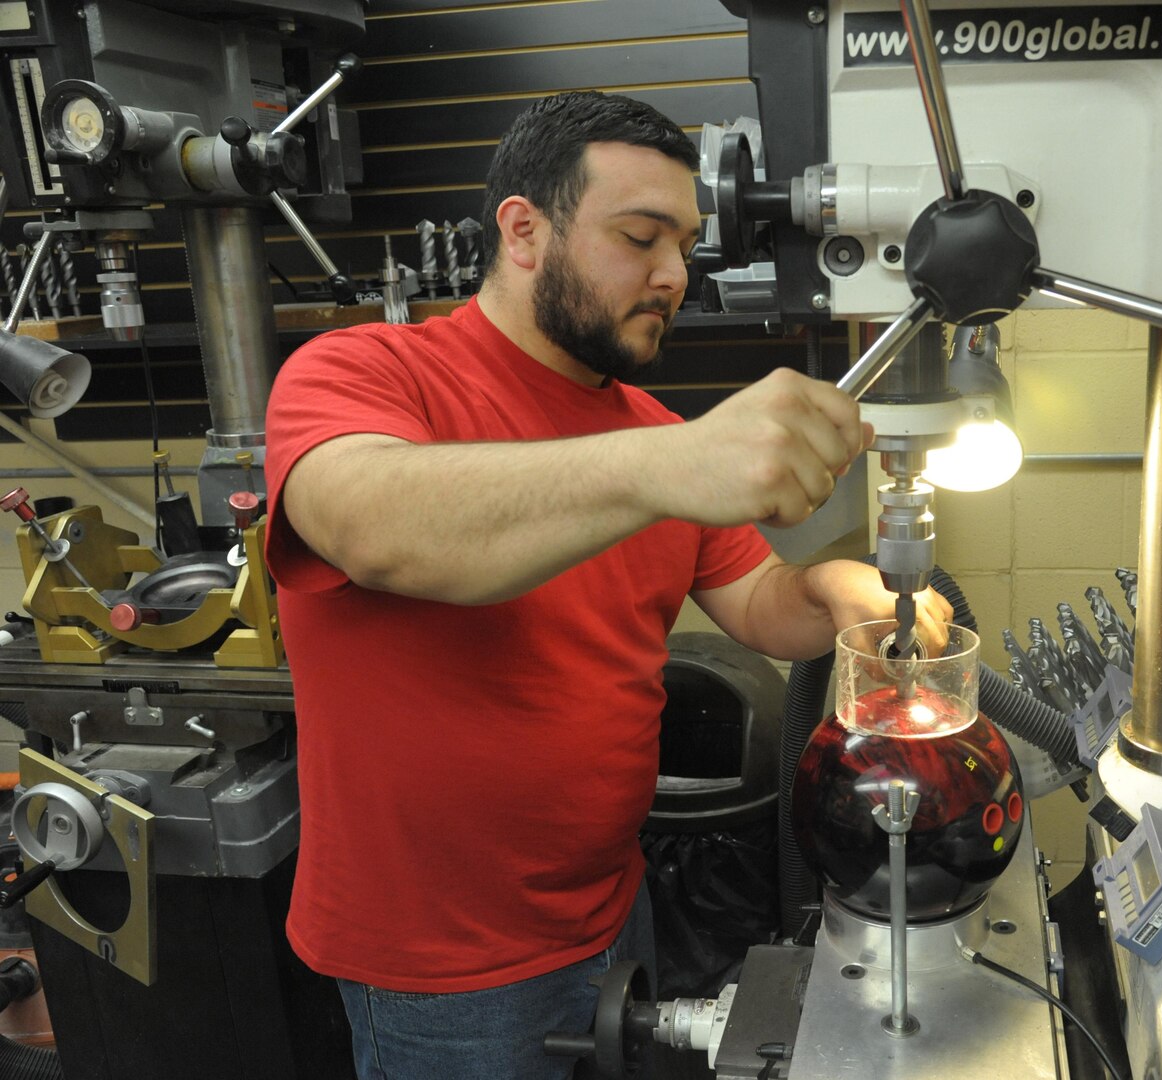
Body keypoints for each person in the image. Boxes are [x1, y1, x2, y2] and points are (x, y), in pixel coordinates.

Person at [263, 91, 952, 1080]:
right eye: (641, 238)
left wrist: (841, 589)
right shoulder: (368, 373)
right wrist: (657, 465)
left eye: (686, 245)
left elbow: (762, 600)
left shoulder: (657, 437)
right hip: (442, 968)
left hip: (611, 911)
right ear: (524, 230)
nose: (674, 276)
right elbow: (374, 528)